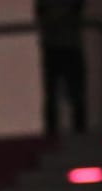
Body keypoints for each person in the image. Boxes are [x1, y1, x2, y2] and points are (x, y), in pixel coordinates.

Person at [36, 0, 87, 134]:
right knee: (55, 95)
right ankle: (55, 133)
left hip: (66, 47)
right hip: (59, 47)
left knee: (74, 95)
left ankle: (75, 131)